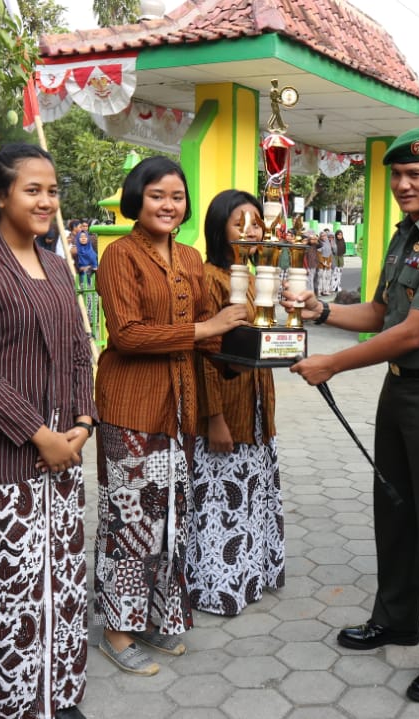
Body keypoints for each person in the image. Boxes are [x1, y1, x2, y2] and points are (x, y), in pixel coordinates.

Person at [285, 128, 419, 703]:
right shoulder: (406, 238)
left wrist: (333, 365)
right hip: (401, 392)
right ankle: (396, 619)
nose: (402, 184)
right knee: (394, 514)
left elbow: (416, 330)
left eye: (415, 174)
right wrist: (322, 309)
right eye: (396, 175)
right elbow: (379, 311)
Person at [0, 144, 95, 719]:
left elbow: (80, 352)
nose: (45, 200)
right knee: (8, 595)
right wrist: (38, 434)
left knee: (61, 584)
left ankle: (60, 695)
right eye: (32, 190)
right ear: (0, 195)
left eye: (52, 190)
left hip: (64, 450)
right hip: (1, 458)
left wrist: (81, 423)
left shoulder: (56, 265)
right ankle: (14, 705)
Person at [93, 157, 247, 676]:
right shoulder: (120, 255)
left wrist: (259, 345)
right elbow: (128, 335)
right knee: (130, 522)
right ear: (138, 197)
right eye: (157, 194)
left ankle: (150, 618)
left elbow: (209, 331)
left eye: (177, 196)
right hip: (133, 408)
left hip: (180, 410)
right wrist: (207, 331)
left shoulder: (189, 257)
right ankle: (116, 630)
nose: (168, 204)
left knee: (168, 522)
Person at [188, 189, 285, 616]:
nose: (250, 229)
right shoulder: (210, 277)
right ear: (218, 229)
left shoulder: (250, 274)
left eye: (255, 221)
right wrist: (215, 418)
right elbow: (205, 353)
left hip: (256, 404)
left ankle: (251, 573)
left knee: (251, 493)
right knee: (221, 500)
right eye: (238, 222)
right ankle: (218, 585)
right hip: (226, 408)